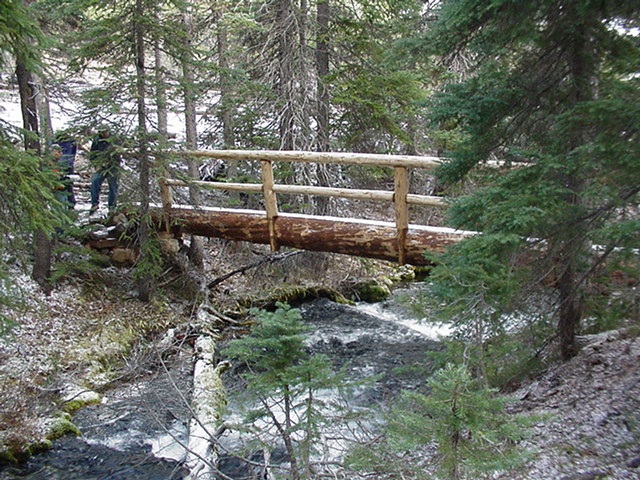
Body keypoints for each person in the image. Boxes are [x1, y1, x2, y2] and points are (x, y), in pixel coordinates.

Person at [89, 127, 121, 214]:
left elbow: (119, 152)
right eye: (102, 132)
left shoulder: (115, 139)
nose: (103, 134)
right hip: (101, 166)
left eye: (105, 132)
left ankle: (112, 207)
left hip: (113, 166)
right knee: (95, 181)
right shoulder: (97, 140)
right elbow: (92, 154)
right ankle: (94, 204)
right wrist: (96, 165)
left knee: (113, 187)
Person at [53, 130, 77, 208]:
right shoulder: (54, 141)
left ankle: (71, 204)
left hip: (68, 165)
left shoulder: (71, 141)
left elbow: (73, 151)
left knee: (68, 186)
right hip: (60, 165)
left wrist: (70, 162)